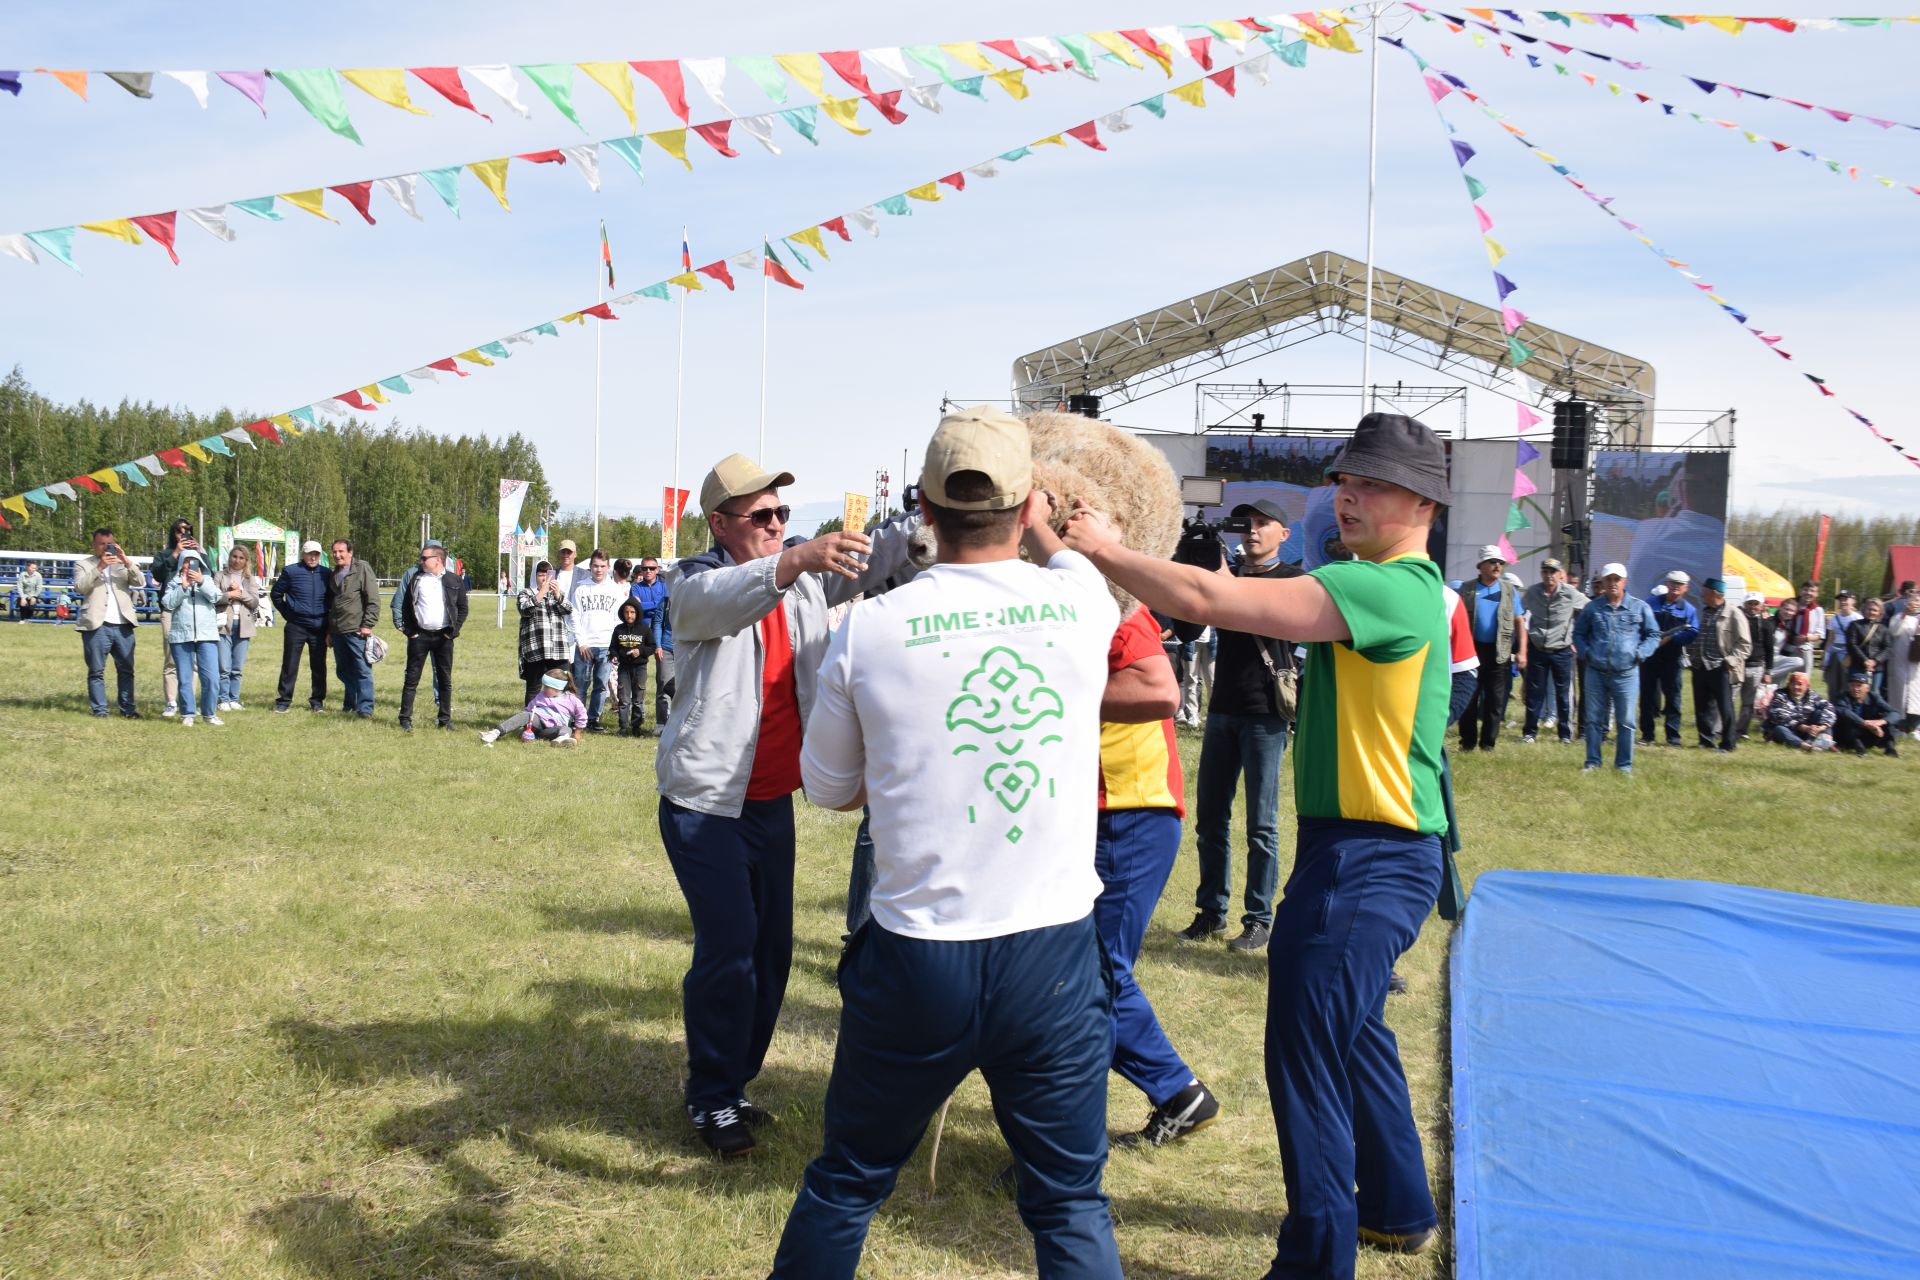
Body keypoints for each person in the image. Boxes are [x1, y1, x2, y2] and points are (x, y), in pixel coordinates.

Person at [1063, 411, 1457, 1275]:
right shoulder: (1380, 578)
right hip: (1358, 851)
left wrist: (1101, 546)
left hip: (1371, 855)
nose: (1346, 495)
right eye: (1344, 479)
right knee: (1351, 1035)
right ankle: (1396, 1208)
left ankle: (1316, 1260)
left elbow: (1207, 599)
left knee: (1305, 1053)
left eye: (1370, 483)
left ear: (1423, 499)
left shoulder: (1391, 586)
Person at [771, 407, 1124, 1278]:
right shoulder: (1080, 602)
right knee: (1071, 1203)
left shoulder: (870, 626)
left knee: (849, 1180)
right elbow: (1080, 559)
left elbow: (827, 789)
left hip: (919, 949)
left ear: (921, 508)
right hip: (1049, 950)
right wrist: (1055, 531)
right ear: (1030, 503)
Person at [658, 450, 914, 1158]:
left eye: (783, 516)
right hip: (704, 805)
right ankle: (709, 1098)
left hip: (770, 802)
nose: (777, 526)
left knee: (770, 955)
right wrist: (799, 559)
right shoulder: (692, 581)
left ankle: (735, 1084)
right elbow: (729, 598)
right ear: (719, 523)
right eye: (762, 516)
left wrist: (933, 505)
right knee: (730, 951)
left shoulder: (799, 582)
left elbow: (879, 553)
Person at [1092, 601, 1221, 1147]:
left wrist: (1047, 689)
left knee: (1094, 974)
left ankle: (1177, 1093)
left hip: (1130, 812)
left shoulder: (1113, 606)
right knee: (1079, 971)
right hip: (1096, 812)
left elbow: (1162, 691)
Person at [1181, 498, 1300, 952]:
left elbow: (1252, 606)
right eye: (1245, 524)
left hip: (1266, 715)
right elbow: (1190, 631)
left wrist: (1222, 579)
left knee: (1261, 825)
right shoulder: (1224, 574)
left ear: (1283, 534)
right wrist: (1195, 565)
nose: (1251, 531)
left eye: (1263, 524)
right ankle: (1210, 913)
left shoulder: (1292, 578)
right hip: (1223, 710)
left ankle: (1258, 919)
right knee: (1211, 818)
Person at [1574, 563, 1661, 774]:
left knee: (1626, 721)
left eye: (1617, 579)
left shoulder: (1639, 607)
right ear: (1602, 583)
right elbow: (1578, 634)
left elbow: (1653, 634)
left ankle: (1623, 766)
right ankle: (1593, 762)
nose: (1612, 583)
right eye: (1608, 579)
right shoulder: (1592, 608)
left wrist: (1640, 654)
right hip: (1596, 671)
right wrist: (1586, 653)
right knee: (1593, 720)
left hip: (1626, 673)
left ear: (1625, 582)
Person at [392, 541, 469, 732]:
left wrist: (453, 631)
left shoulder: (454, 580)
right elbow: (405, 606)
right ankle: (405, 719)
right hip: (420, 637)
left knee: (445, 679)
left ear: (438, 560)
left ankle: (444, 719)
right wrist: (410, 631)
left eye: (425, 558)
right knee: (411, 679)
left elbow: (462, 608)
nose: (421, 561)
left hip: (444, 638)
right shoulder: (416, 578)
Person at [1457, 546, 1526, 753]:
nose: (1497, 566)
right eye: (1493, 562)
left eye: (1500, 562)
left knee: (1495, 701)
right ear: (1481, 565)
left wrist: (1522, 651)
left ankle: (1488, 744)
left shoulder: (1508, 590)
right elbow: (1456, 620)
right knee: (1469, 698)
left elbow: (1519, 622)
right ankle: (1467, 743)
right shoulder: (1467, 589)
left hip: (1499, 652)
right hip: (1471, 651)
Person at [73, 527, 146, 718]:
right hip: (96, 625)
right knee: (96, 670)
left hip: (123, 623)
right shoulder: (83, 564)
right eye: (102, 544)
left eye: (110, 544)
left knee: (126, 670)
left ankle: (128, 710)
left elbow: (140, 581)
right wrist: (100, 568)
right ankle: (100, 710)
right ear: (94, 545)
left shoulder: (121, 563)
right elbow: (80, 587)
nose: (106, 548)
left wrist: (126, 560)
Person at [1519, 557, 1586, 744]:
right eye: (1545, 571)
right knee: (1534, 693)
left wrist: (1578, 636)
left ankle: (1565, 734)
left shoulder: (1570, 593)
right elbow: (1519, 612)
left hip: (1562, 650)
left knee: (1563, 694)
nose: (1549, 575)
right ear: (1542, 573)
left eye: (1553, 572)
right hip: (1538, 648)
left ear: (1560, 574)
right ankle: (1529, 733)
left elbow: (1590, 609)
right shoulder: (1533, 592)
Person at [1687, 577, 1751, 752]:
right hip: (1701, 666)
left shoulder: (1734, 614)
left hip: (1721, 668)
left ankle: (1728, 743)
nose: (1701, 594)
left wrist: (1730, 662)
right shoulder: (1706, 611)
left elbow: (1745, 644)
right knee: (1702, 706)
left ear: (1714, 594)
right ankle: (1705, 740)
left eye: (1704, 591)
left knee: (1725, 708)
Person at [162, 548, 223, 727]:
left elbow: (216, 596)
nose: (190, 565)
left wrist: (202, 581)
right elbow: (168, 603)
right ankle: (187, 713)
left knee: (211, 677)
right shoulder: (175, 582)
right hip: (181, 635)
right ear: (181, 564)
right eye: (186, 562)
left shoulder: (208, 579)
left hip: (207, 635)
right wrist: (183, 587)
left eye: (193, 561)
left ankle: (209, 713)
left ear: (200, 564)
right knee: (185, 677)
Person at [270, 540, 332, 713]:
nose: (312, 557)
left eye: (316, 554)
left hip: (319, 627)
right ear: (302, 554)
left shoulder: (327, 574)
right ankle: (283, 701)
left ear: (320, 556)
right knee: (290, 665)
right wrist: (288, 614)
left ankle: (317, 702)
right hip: (296, 626)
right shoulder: (291, 571)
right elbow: (276, 594)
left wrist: (328, 624)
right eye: (309, 554)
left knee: (319, 666)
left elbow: (331, 599)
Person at [1639, 570, 1698, 747]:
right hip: (1650, 657)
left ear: (1685, 588)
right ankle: (1647, 735)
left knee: (1673, 698)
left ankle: (1673, 737)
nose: (1674, 587)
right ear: (1667, 584)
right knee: (1647, 698)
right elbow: (1640, 625)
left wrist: (1672, 639)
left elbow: (1693, 632)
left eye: (1679, 585)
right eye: (1672, 583)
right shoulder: (1650, 603)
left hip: (1672, 658)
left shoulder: (1688, 610)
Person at [569, 550, 625, 732]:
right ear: (590, 567)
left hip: (606, 646)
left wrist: (613, 646)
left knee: (601, 685)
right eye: (595, 566)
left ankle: (593, 719)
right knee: (580, 684)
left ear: (608, 568)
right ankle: (578, 719)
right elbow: (574, 617)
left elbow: (619, 620)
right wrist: (581, 642)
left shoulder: (616, 590)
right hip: (585, 645)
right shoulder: (581, 588)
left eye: (602, 566)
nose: (598, 569)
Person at [151, 517, 199, 716]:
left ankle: (189, 702)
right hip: (170, 609)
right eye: (180, 531)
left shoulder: (197, 553)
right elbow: (158, 575)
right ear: (173, 533)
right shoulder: (163, 554)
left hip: (193, 609)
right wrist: (176, 553)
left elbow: (210, 573)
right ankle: (171, 702)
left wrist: (200, 551)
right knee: (172, 657)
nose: (184, 534)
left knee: (193, 659)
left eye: (187, 530)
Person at [328, 538, 381, 719]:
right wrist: (329, 631)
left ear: (350, 552)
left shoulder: (362, 568)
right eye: (335, 552)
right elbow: (332, 604)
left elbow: (373, 598)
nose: (337, 555)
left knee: (362, 670)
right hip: (337, 630)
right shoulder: (333, 573)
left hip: (356, 630)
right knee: (343, 670)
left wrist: (367, 624)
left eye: (341, 551)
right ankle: (350, 704)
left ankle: (365, 708)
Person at [515, 560, 575, 705]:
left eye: (548, 575)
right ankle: (530, 722)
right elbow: (525, 609)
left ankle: (562, 721)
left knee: (564, 686)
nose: (544, 578)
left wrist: (556, 593)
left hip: (558, 650)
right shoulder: (526, 593)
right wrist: (542, 591)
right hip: (536, 650)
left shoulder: (557, 594)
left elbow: (568, 609)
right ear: (535, 576)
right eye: (541, 575)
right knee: (534, 688)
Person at [479, 669, 586, 747]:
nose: (544, 689)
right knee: (526, 715)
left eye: (547, 687)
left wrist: (577, 732)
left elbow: (582, 715)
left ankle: (562, 740)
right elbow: (529, 710)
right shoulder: (541, 695)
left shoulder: (571, 699)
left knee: (566, 729)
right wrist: (526, 726)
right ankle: (496, 732)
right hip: (536, 725)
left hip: (552, 730)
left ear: (557, 688)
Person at [630, 555, 675, 733]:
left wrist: (645, 606)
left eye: (652, 568)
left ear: (658, 570)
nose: (648, 571)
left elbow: (644, 608)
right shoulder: (637, 588)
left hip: (681, 645)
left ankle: (678, 722)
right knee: (661, 682)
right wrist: (658, 645)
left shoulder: (668, 590)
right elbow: (639, 609)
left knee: (681, 685)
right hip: (656, 641)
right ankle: (661, 722)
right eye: (645, 568)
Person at [215, 547, 261, 711]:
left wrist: (240, 592)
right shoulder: (220, 576)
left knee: (237, 667)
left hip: (244, 626)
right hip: (223, 626)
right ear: (230, 558)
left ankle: (234, 699)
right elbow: (214, 598)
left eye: (241, 558)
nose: (237, 560)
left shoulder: (250, 579)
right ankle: (223, 699)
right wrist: (229, 595)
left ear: (246, 561)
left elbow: (255, 602)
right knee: (224, 667)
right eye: (234, 556)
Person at [611, 597, 657, 736]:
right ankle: (623, 727)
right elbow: (613, 647)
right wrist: (613, 655)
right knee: (624, 699)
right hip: (624, 668)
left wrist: (641, 651)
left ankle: (637, 727)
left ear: (637, 613)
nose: (629, 615)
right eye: (626, 612)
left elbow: (652, 646)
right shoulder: (618, 629)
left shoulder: (644, 629)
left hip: (640, 668)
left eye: (632, 612)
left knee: (638, 699)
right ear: (622, 613)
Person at [1736, 589, 1776, 740]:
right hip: (1737, 665)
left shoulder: (1766, 625)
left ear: (1761, 606)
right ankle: (1722, 729)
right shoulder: (1738, 620)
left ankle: (1741, 730)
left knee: (1748, 702)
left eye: (1755, 604)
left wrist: (1768, 671)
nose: (1752, 607)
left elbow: (1769, 649)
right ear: (1744, 605)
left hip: (1756, 666)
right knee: (1729, 698)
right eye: (1749, 604)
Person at [1832, 670, 1899, 757]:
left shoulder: (1874, 697)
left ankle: (1890, 749)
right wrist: (1865, 723)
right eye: (1852, 685)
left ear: (1867, 688)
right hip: (1849, 737)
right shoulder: (1842, 696)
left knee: (1888, 720)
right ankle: (1860, 750)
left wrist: (1881, 722)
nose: (1855, 689)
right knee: (1849, 721)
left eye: (1859, 686)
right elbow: (1844, 712)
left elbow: (1895, 713)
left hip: (1872, 733)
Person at [1765, 671, 1836, 751]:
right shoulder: (1780, 695)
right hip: (1790, 730)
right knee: (1779, 729)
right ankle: (1806, 747)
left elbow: (1829, 706)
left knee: (1821, 715)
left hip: (1808, 731)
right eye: (1793, 683)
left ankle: (1826, 742)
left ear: (1807, 686)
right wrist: (1803, 727)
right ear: (1789, 684)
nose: (1796, 687)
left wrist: (1822, 727)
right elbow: (1778, 715)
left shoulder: (1812, 695)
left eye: (1799, 684)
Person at [1886, 593, 1920, 738]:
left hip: (1916, 665)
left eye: (1918, 601)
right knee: (1899, 696)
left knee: (1916, 697)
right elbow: (1893, 631)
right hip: (1899, 662)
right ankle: (1898, 727)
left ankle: (1915, 728)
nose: (1915, 603)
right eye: (1913, 601)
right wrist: (1904, 614)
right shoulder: (1898, 617)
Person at [1849, 597, 1891, 698]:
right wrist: (1865, 660)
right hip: (1858, 665)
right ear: (1864, 610)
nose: (1871, 612)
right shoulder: (1855, 625)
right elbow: (1852, 644)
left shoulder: (1884, 629)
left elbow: (1887, 648)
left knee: (1874, 694)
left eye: (1875, 610)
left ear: (1880, 612)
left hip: (1876, 668)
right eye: (1869, 609)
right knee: (1856, 693)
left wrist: (1875, 661)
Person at [1823, 589, 1860, 700]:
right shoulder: (1834, 619)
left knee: (1846, 683)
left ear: (1853, 601)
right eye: (1841, 600)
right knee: (1833, 684)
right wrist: (1825, 657)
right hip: (1835, 652)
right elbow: (1830, 639)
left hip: (1850, 653)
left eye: (1845, 599)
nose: (1843, 602)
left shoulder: (1858, 618)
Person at [1177, 624, 1214, 727]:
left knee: (1212, 681)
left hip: (1211, 642)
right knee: (1191, 679)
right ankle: (1193, 715)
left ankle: (1213, 714)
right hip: (1191, 643)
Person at [1771, 598, 1807, 680]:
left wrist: (1796, 648)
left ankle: (1771, 674)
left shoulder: (1788, 626)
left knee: (1799, 661)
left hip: (1778, 657)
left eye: (1792, 611)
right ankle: (1768, 673)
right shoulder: (1770, 623)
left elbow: (1786, 645)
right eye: (1786, 609)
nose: (1788, 612)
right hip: (1766, 658)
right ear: (1780, 608)